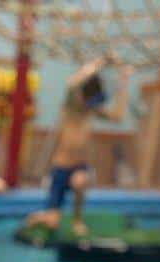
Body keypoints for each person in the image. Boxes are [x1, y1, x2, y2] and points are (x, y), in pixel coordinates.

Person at [25, 58, 133, 235]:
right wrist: (99, 63)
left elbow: (118, 116)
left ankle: (77, 220)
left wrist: (124, 82)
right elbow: (72, 83)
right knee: (52, 223)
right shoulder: (69, 109)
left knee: (80, 181)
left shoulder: (91, 111)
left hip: (79, 166)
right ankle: (41, 216)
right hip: (60, 169)